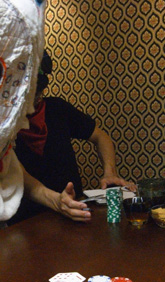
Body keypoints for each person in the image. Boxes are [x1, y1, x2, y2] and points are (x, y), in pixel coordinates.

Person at [11, 51, 131, 223]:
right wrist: (56, 201)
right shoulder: (4, 126)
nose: (36, 101)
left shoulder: (57, 108)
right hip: (27, 220)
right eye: (30, 97)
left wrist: (109, 172)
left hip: (74, 211)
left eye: (39, 94)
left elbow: (100, 137)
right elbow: (19, 174)